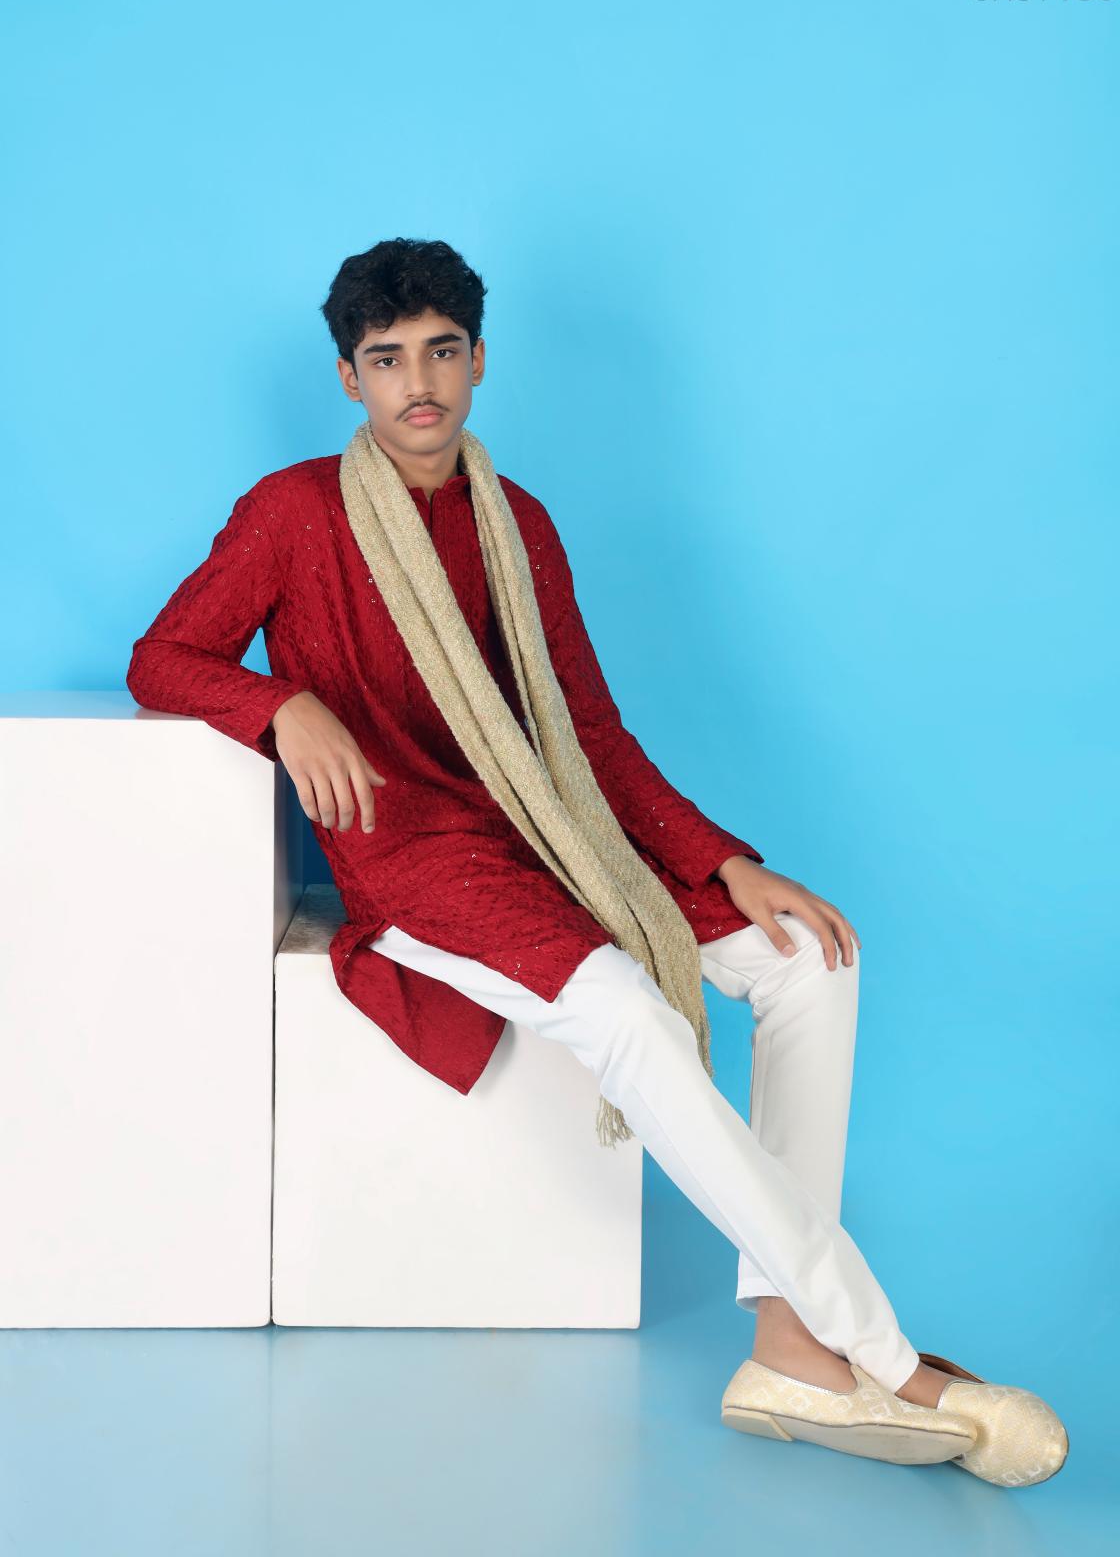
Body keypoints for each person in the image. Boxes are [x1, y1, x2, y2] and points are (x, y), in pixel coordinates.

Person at [126, 237, 1066, 1483]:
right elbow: (164, 657)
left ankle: (787, 1344)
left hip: (546, 830)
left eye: (442, 352)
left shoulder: (517, 522)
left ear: (479, 360)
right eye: (387, 359)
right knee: (630, 1017)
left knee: (806, 961)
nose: (420, 383)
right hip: (412, 857)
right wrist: (283, 705)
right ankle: (881, 1355)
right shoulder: (293, 512)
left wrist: (723, 867)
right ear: (348, 378)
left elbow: (587, 733)